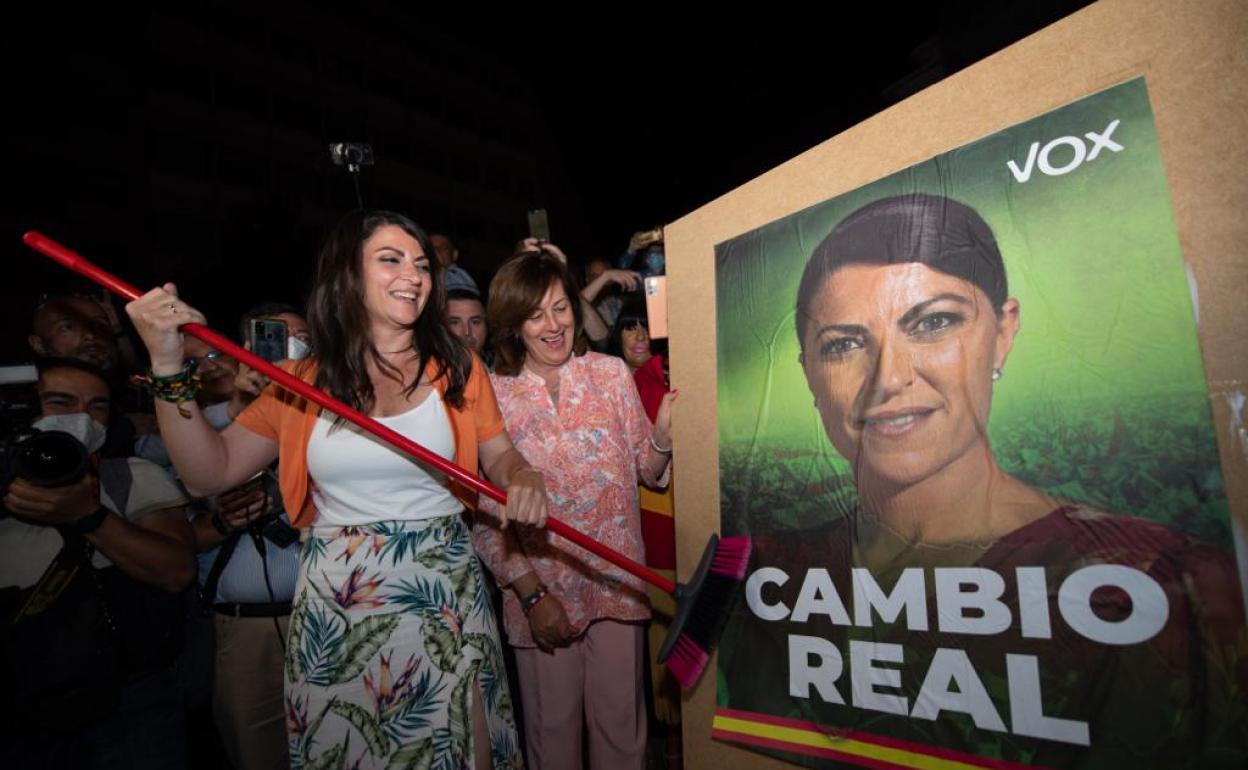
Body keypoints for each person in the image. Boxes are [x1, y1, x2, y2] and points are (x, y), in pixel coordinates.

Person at [718, 193, 1248, 768]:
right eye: (843, 345)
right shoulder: (772, 577)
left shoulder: (1169, 584)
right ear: (809, 375)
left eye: (934, 322)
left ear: (1003, 331)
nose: (889, 378)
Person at [125, 210, 548, 769]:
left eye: (422, 264)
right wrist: (166, 362)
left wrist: (524, 477)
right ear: (348, 275)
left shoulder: (459, 367)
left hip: (442, 589)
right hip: (340, 601)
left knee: (461, 750)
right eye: (391, 260)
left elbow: (501, 456)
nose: (415, 275)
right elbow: (210, 471)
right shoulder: (301, 384)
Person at [473, 250, 675, 770]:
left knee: (622, 740)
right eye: (536, 314)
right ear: (513, 325)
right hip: (540, 591)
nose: (554, 325)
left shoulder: (610, 375)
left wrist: (664, 437)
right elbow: (484, 514)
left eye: (561, 308)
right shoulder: (493, 394)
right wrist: (530, 592)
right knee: (553, 740)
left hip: (616, 580)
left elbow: (646, 470)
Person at [0, 359, 195, 769]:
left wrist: (88, 515)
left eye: (97, 406)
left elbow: (176, 571)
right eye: (60, 402)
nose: (81, 418)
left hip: (126, 697)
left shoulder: (129, 475)